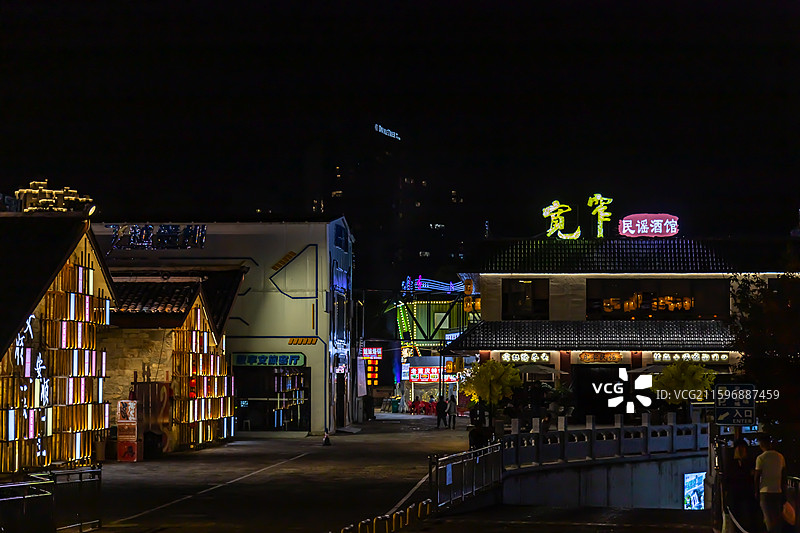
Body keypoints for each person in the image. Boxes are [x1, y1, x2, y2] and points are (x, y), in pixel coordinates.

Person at [754, 433, 787, 533]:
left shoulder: (761, 458)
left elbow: (757, 476)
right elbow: (784, 474)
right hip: (777, 491)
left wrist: (756, 491)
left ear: (761, 444)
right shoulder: (780, 457)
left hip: (765, 491)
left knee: (768, 518)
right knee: (777, 518)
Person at [723, 439, 756, 531]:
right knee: (736, 515)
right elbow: (728, 477)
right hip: (735, 493)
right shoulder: (731, 463)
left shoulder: (749, 462)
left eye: (743, 449)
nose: (741, 451)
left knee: (747, 515)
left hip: (746, 493)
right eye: (739, 449)